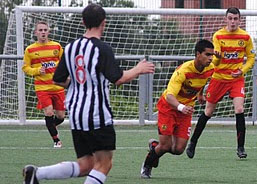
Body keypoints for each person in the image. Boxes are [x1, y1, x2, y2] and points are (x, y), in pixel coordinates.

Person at [22, 4, 155, 184]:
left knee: (86, 164)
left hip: (76, 113)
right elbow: (118, 79)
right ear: (104, 23)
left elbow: (58, 79)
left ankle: (37, 174)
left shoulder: (69, 48)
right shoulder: (102, 48)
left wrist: (77, 83)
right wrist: (138, 69)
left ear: (83, 22)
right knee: (104, 163)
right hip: (96, 114)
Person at [186, 7, 256, 159]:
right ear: (226, 19)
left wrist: (242, 70)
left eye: (235, 19)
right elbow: (215, 61)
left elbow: (251, 58)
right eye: (230, 18)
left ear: (239, 19)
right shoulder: (218, 35)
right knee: (208, 111)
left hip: (236, 79)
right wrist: (217, 57)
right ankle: (193, 142)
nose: (232, 22)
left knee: (239, 109)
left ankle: (240, 148)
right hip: (218, 78)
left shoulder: (245, 37)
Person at [140, 39, 215, 179]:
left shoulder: (210, 68)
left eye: (212, 55)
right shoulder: (183, 71)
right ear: (198, 54)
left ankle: (154, 145)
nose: (211, 58)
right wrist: (180, 107)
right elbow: (169, 96)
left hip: (185, 110)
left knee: (179, 149)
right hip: (168, 107)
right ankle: (147, 164)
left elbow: (201, 82)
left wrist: (200, 95)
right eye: (207, 54)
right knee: (165, 146)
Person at [22, 21, 65, 148]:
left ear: (48, 31)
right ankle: (56, 140)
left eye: (45, 30)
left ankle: (50, 125)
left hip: (58, 87)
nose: (43, 32)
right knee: (49, 112)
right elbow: (25, 68)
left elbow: (64, 63)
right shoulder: (30, 50)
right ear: (36, 32)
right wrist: (36, 71)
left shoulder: (56, 47)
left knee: (61, 116)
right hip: (42, 87)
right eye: (40, 30)